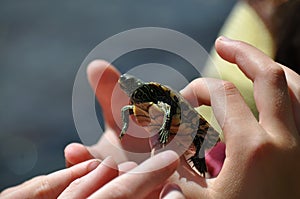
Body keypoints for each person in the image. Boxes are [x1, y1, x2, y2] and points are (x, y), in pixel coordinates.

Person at [2, 36, 299, 198]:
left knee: (196, 139)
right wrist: (128, 135)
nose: (129, 88)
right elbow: (132, 111)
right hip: (182, 134)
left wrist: (163, 130)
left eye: (131, 86)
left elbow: (171, 107)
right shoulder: (135, 101)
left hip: (186, 124)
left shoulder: (153, 92)